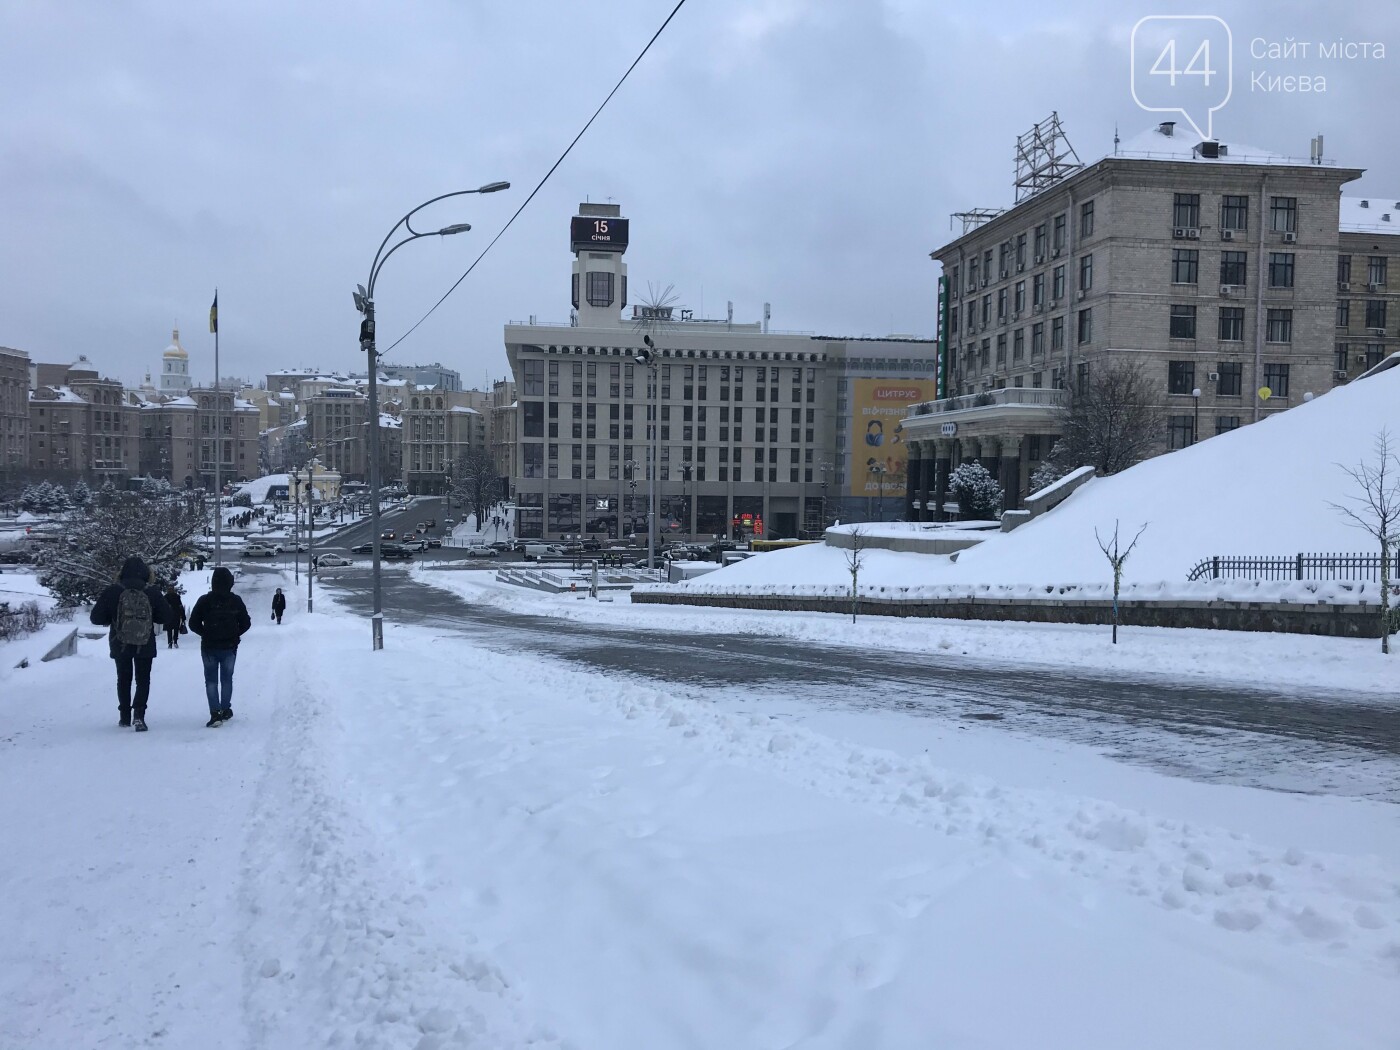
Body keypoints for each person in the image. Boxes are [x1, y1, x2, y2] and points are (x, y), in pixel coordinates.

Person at [89, 556, 173, 732]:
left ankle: (124, 716)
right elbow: (166, 617)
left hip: (120, 642)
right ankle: (139, 715)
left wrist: (113, 619)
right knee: (143, 679)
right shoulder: (152, 591)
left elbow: (95, 618)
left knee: (123, 678)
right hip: (145, 642)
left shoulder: (113, 591)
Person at [188, 566, 252, 728]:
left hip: (209, 646)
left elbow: (193, 623)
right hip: (229, 647)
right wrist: (235, 634)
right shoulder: (235, 600)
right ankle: (225, 708)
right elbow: (246, 622)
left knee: (210, 681)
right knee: (227, 679)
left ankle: (215, 712)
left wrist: (206, 633)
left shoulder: (204, 601)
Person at [163, 583, 186, 649]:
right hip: (176, 615)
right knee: (176, 629)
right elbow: (180, 607)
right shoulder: (177, 596)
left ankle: (170, 642)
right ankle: (175, 641)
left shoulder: (165, 597)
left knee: (169, 630)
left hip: (168, 616)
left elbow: (163, 607)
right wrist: (183, 616)